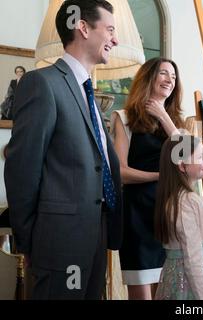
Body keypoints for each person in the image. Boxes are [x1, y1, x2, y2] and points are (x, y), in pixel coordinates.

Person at [4, 0, 122, 299]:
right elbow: (22, 169)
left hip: (96, 234)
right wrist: (30, 240)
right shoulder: (41, 84)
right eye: (109, 29)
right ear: (82, 27)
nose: (115, 39)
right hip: (58, 241)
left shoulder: (88, 94)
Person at [111, 57, 184, 300]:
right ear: (148, 77)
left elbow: (188, 162)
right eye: (163, 73)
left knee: (168, 289)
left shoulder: (176, 124)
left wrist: (164, 117)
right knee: (141, 290)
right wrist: (161, 176)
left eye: (173, 77)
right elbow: (120, 171)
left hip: (170, 214)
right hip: (137, 215)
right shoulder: (124, 117)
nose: (169, 80)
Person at [154, 135, 203, 300]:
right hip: (188, 284)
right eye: (200, 157)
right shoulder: (185, 202)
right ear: (182, 165)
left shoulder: (180, 198)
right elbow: (193, 260)